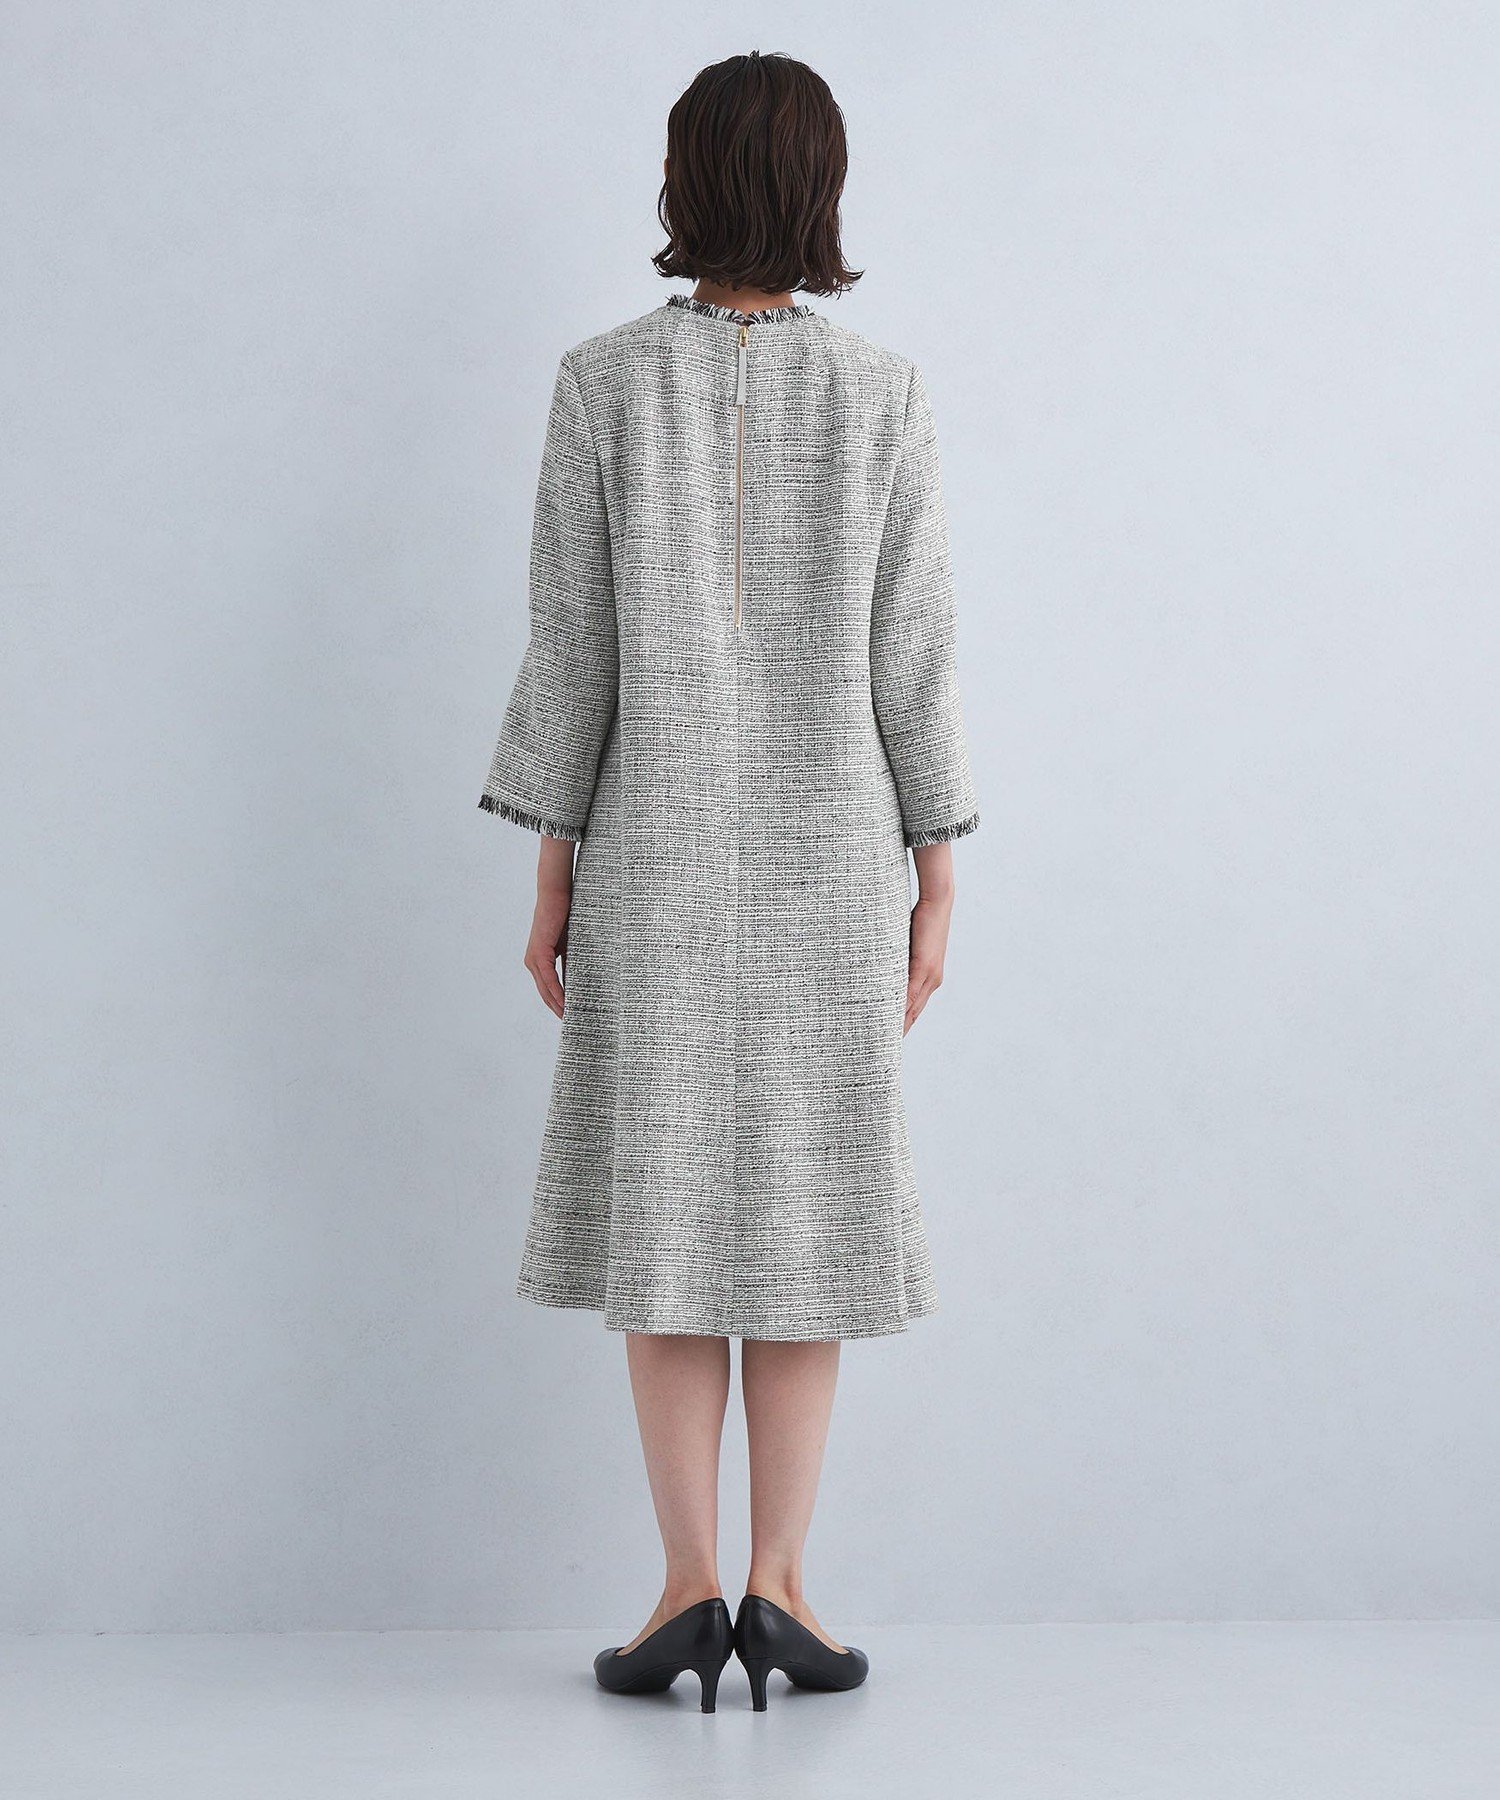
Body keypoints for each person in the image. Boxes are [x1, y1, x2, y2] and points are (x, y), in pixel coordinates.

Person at [478, 50, 978, 1712]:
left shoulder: (602, 383)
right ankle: (784, 1588)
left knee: (673, 1210)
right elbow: (916, 653)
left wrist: (553, 867)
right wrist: (936, 870)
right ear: (823, 189)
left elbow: (572, 650)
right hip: (836, 855)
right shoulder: (885, 393)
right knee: (806, 1211)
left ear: (682, 181)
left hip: (653, 847)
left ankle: (685, 1590)